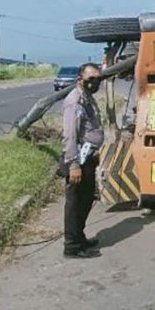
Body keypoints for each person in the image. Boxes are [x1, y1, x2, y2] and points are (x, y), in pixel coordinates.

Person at [61, 62, 104, 258]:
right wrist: (74, 165)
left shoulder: (88, 98)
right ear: (81, 79)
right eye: (91, 79)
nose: (95, 82)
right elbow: (70, 135)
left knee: (86, 200)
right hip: (78, 159)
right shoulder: (75, 100)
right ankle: (72, 246)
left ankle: (80, 237)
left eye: (98, 79)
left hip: (88, 158)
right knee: (75, 203)